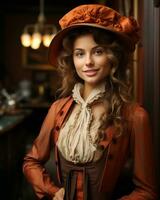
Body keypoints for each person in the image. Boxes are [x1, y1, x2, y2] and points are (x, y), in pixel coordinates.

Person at [23, 4, 158, 200]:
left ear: (112, 57)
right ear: (72, 60)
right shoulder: (58, 109)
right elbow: (31, 161)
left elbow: (147, 192)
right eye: (80, 53)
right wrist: (53, 191)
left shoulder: (135, 116)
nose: (87, 62)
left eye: (97, 52)